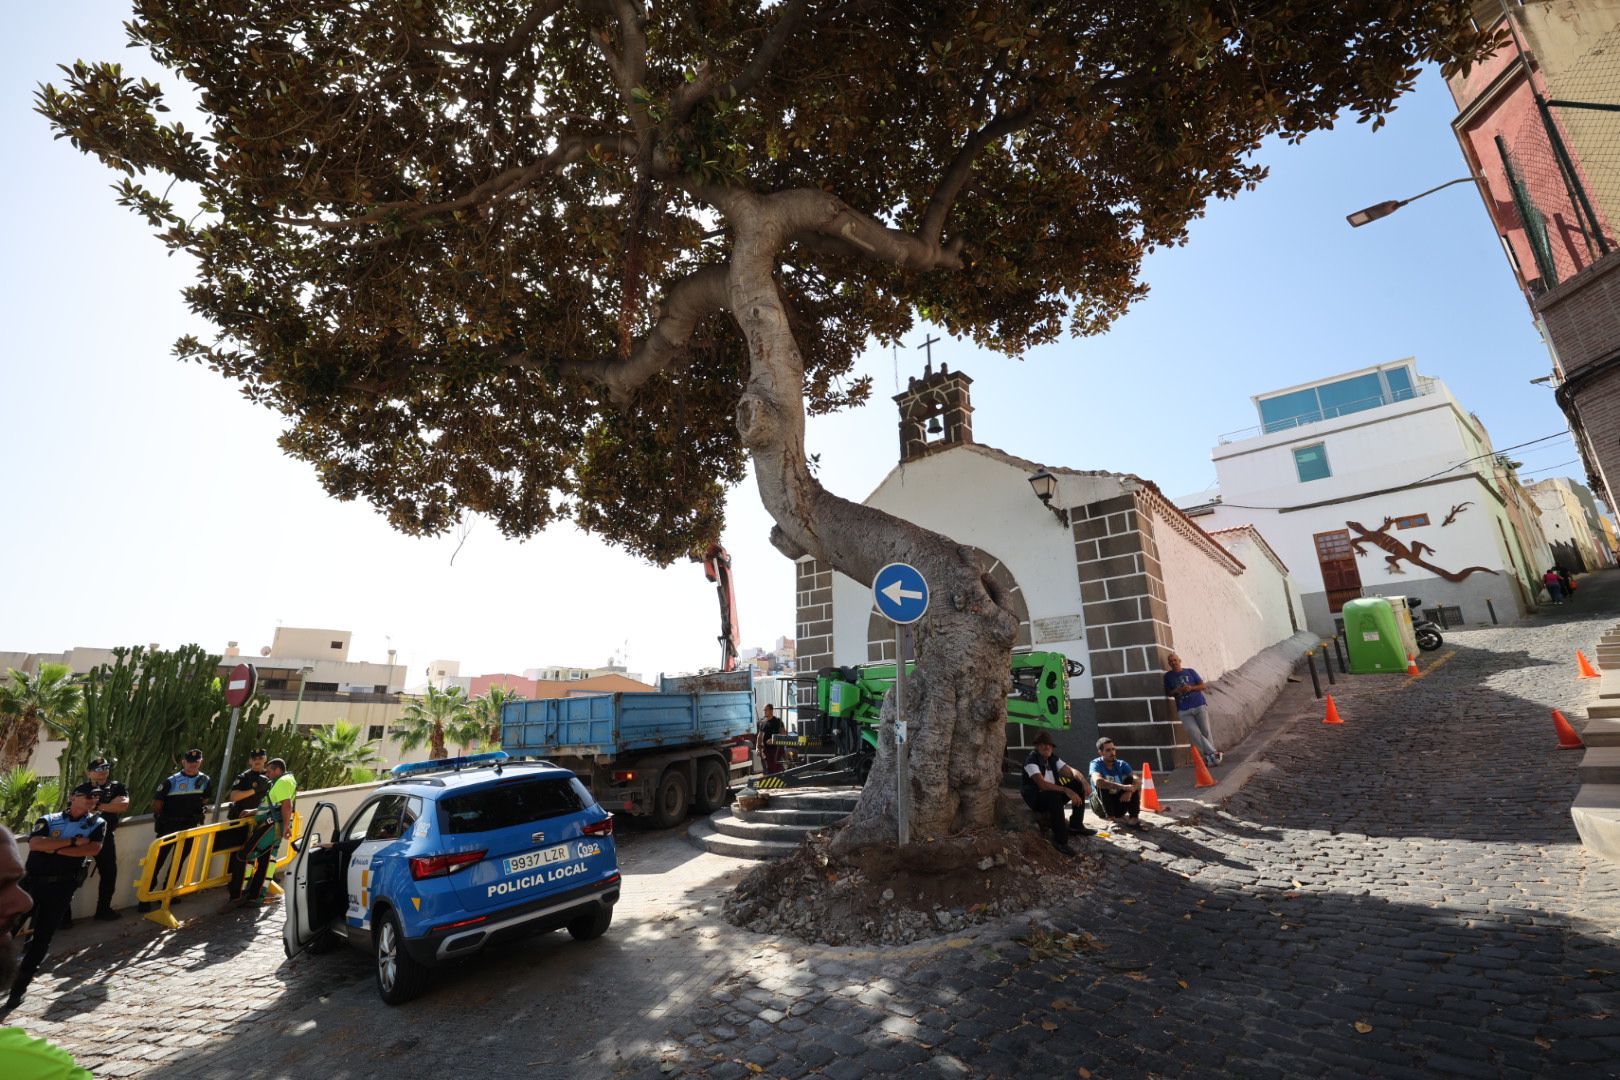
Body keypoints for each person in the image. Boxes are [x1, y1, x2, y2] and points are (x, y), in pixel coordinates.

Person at [7, 791, 105, 1010]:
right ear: (72, 797)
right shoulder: (49, 820)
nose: (91, 800)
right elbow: (36, 844)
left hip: (61, 888)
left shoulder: (97, 823)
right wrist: (72, 843)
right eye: (87, 795)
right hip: (32, 885)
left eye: (94, 798)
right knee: (6, 931)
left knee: (42, 938)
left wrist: (55, 848)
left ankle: (19, 988)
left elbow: (93, 849)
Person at [140, 749, 213, 912]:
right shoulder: (171, 781)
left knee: (178, 862)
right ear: (183, 762)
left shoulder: (204, 780)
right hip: (169, 826)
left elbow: (204, 799)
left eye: (196, 761)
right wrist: (164, 819)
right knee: (157, 861)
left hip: (189, 827)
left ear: (201, 762)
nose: (193, 764)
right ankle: (146, 897)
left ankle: (168, 894)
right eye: (190, 761)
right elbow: (157, 803)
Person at [66, 756, 128, 923]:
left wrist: (96, 806)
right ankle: (64, 918)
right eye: (98, 769)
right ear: (89, 772)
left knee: (109, 873)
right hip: (81, 836)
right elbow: (73, 810)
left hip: (105, 836)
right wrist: (108, 805)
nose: (103, 772)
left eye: (106, 768)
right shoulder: (80, 788)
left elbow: (122, 805)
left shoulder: (117, 787)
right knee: (71, 874)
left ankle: (103, 910)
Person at [1021, 731, 1094, 855]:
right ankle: (1061, 841)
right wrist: (1066, 790)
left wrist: (1084, 781)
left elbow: (1071, 771)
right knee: (1053, 796)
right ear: (1037, 746)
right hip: (1037, 798)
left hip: (1053, 793)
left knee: (1077, 784)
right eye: (1043, 744)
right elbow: (1042, 785)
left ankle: (1076, 825)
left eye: (1049, 744)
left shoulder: (1052, 759)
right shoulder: (1031, 761)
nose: (1047, 747)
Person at [237, 759, 297, 907]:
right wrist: (253, 812)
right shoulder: (283, 781)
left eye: (269, 771)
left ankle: (241, 894)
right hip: (272, 824)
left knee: (246, 854)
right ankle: (255, 896)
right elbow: (273, 804)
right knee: (265, 859)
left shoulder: (282, 782)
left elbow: (286, 805)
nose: (267, 774)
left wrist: (285, 828)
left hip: (271, 825)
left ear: (277, 770)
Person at [224, 749, 271, 904]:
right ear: (250, 761)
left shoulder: (270, 777)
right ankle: (234, 884)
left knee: (259, 855)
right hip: (240, 821)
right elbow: (234, 796)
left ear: (265, 759)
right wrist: (254, 790)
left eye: (260, 758)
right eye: (254, 758)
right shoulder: (244, 777)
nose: (257, 760)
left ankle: (251, 886)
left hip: (260, 822)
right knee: (236, 853)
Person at [1164, 653, 1221, 766]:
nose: (1173, 662)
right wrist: (1177, 690)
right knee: (1194, 733)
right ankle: (1213, 754)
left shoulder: (1190, 671)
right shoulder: (1167, 676)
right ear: (1169, 663)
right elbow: (1169, 693)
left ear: (1180, 660)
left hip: (1199, 705)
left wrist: (1191, 688)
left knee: (1205, 732)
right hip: (1184, 710)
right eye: (1170, 661)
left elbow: (1203, 686)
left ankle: (1209, 758)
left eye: (1175, 660)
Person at [1090, 737, 1147, 829]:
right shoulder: (1095, 764)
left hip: (1118, 804)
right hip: (1100, 806)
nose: (1112, 753)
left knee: (1132, 781)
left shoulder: (1121, 764)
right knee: (1102, 784)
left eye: (1113, 749)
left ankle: (1134, 818)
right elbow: (1098, 781)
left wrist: (1129, 791)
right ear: (1100, 753)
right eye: (1108, 750)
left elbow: (1137, 780)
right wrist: (1123, 787)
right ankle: (1111, 820)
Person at [756, 703, 785, 775]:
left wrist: (774, 739)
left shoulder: (778, 721)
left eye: (766, 710)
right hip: (766, 751)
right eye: (764, 710)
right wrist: (757, 747)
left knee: (777, 769)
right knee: (767, 769)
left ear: (771, 710)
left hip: (776, 750)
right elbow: (759, 736)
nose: (764, 711)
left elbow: (783, 734)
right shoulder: (762, 722)